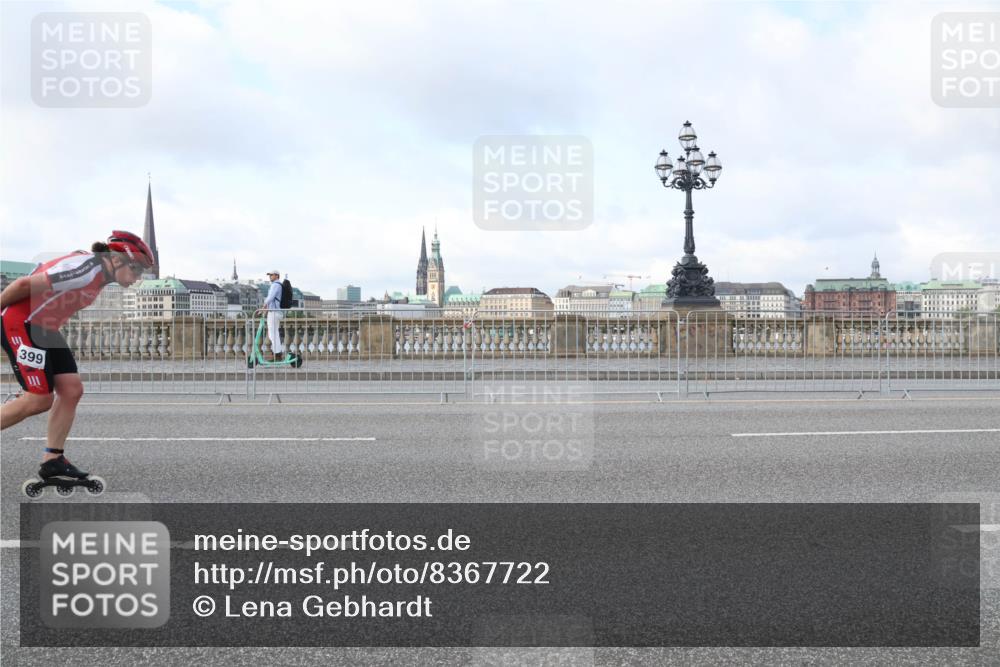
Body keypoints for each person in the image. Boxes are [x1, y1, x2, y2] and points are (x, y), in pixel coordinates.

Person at [0, 230, 155, 483]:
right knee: (39, 400)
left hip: (44, 328)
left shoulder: (100, 272)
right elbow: (22, 285)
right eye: (136, 270)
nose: (138, 278)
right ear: (116, 260)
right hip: (20, 323)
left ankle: (53, 461)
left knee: (71, 390)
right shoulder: (86, 271)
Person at [263, 270, 284, 361]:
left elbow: (270, 297)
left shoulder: (275, 285)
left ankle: (277, 354)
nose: (270, 276)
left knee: (272, 334)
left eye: (271, 275)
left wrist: (264, 305)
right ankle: (277, 353)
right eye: (269, 275)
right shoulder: (279, 285)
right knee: (274, 333)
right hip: (277, 312)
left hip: (274, 312)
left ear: (277, 276)